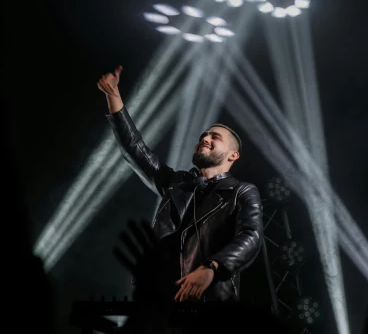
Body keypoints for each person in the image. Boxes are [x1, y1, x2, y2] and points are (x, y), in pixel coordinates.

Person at [97, 65, 264, 303]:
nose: (205, 138)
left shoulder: (241, 192)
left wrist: (212, 268)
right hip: (158, 299)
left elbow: (251, 235)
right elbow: (135, 150)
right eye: (203, 136)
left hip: (209, 303)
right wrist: (113, 94)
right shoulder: (177, 184)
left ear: (233, 156)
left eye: (214, 137)